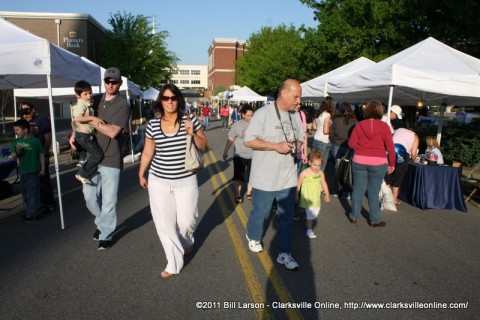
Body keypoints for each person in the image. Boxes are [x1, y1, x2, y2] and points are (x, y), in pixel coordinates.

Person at [138, 83, 207, 279]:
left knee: (187, 221)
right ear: (161, 100)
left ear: (179, 100)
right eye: (166, 98)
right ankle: (173, 263)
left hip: (186, 180)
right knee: (165, 224)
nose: (170, 101)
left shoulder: (190, 119)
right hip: (159, 180)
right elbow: (148, 152)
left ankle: (186, 242)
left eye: (173, 98)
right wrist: (141, 173)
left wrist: (192, 132)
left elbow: (203, 145)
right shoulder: (153, 124)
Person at [244, 79, 305, 271]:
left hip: (287, 175)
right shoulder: (263, 114)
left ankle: (284, 253)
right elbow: (249, 141)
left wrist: (300, 145)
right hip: (264, 176)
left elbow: (301, 137)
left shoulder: (295, 116)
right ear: (284, 93)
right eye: (296, 96)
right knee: (261, 211)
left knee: (287, 216)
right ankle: (253, 235)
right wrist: (275, 146)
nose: (299, 101)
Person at [82, 67, 130, 251]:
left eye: (114, 81)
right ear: (104, 81)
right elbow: (79, 119)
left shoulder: (122, 104)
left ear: (120, 83)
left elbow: (113, 131)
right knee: (89, 196)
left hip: (111, 158)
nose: (110, 84)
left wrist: (91, 120)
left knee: (109, 201)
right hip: (93, 156)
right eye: (108, 81)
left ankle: (106, 234)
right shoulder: (94, 100)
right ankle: (102, 223)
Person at [348, 100, 395, 227]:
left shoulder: (359, 125)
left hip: (359, 160)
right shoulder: (384, 127)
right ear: (380, 111)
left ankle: (354, 216)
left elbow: (351, 144)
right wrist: (392, 163)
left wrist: (361, 146)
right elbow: (391, 147)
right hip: (378, 162)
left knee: (358, 189)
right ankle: (374, 219)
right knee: (373, 192)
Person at [19, 102, 56, 214]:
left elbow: (48, 138)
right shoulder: (25, 122)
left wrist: (45, 153)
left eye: (27, 112)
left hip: (40, 155)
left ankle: (49, 204)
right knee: (32, 181)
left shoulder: (42, 119)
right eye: (22, 113)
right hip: (29, 157)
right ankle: (37, 204)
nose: (25, 115)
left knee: (43, 179)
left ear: (33, 110)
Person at [9, 119, 45, 222]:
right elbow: (13, 157)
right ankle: (33, 211)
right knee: (25, 193)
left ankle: (32, 213)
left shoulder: (35, 141)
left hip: (34, 170)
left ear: (25, 130)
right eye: (15, 130)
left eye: (18, 129)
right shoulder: (16, 142)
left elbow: (41, 154)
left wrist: (42, 169)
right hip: (23, 170)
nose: (16, 132)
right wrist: (17, 151)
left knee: (32, 192)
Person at [70, 80, 105, 184]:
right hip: (83, 135)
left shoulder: (87, 103)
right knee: (97, 155)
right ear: (78, 95)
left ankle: (83, 168)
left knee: (94, 154)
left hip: (85, 135)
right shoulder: (82, 104)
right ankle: (82, 174)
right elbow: (77, 118)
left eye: (90, 93)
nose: (89, 96)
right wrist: (93, 118)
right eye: (85, 94)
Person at [222, 104, 254, 203]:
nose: (250, 117)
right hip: (239, 155)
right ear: (243, 114)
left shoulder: (256, 124)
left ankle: (249, 192)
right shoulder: (237, 125)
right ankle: (238, 194)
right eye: (248, 115)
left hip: (253, 155)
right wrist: (225, 151)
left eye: (252, 115)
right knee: (239, 176)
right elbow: (231, 138)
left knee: (252, 176)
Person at [296, 151, 331, 239]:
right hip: (307, 197)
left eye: (319, 165)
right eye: (314, 165)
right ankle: (309, 230)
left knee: (315, 212)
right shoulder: (304, 173)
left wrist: (327, 194)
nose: (316, 167)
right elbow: (298, 184)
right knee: (311, 215)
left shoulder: (320, 173)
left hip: (316, 197)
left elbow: (324, 183)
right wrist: (296, 194)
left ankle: (308, 221)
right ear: (309, 162)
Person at [330, 102, 357, 198]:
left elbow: (331, 134)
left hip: (337, 145)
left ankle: (335, 191)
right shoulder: (354, 121)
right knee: (347, 170)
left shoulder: (336, 120)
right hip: (349, 147)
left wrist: (334, 141)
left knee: (337, 169)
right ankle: (346, 193)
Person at [386, 127, 419, 205]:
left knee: (388, 174)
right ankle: (393, 200)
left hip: (391, 150)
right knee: (398, 176)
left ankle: (385, 197)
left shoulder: (399, 129)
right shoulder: (415, 136)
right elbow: (414, 154)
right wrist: (414, 159)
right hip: (403, 153)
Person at [312, 96, 335, 171]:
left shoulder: (317, 113)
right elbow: (325, 131)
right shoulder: (327, 115)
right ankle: (319, 181)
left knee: (314, 163)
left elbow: (314, 127)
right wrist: (332, 130)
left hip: (316, 139)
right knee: (321, 166)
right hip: (324, 141)